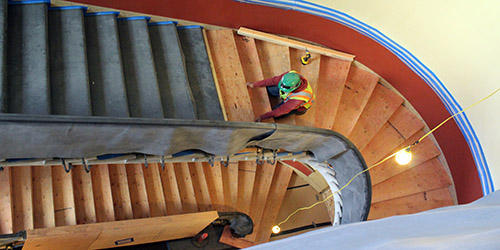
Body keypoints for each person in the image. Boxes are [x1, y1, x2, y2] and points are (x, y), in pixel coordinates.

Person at [247, 70, 314, 122]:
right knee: (271, 89)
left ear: (294, 88)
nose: (282, 89)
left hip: (299, 107)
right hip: (290, 97)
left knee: (277, 114)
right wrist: (254, 84)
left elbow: (281, 110)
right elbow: (273, 81)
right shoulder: (290, 75)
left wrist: (262, 117)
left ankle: (295, 112)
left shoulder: (299, 98)